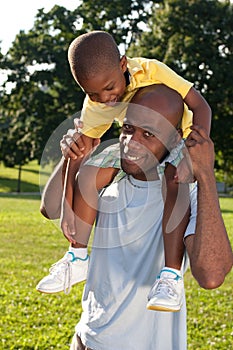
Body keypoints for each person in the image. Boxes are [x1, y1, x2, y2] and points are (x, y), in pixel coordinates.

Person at [41, 85, 232, 350]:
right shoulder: (109, 173)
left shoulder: (185, 189)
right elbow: (50, 208)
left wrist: (206, 175)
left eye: (148, 134)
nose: (132, 143)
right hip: (88, 340)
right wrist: (70, 158)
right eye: (128, 129)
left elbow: (211, 276)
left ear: (174, 139)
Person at [36, 31, 212, 312]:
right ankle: (77, 257)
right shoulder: (96, 104)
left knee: (174, 178)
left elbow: (200, 105)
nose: (105, 99)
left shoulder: (151, 70)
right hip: (134, 143)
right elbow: (76, 156)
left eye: (108, 88)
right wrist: (69, 208)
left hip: (180, 139)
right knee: (92, 169)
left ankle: (171, 276)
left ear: (123, 65)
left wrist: (198, 149)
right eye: (93, 93)